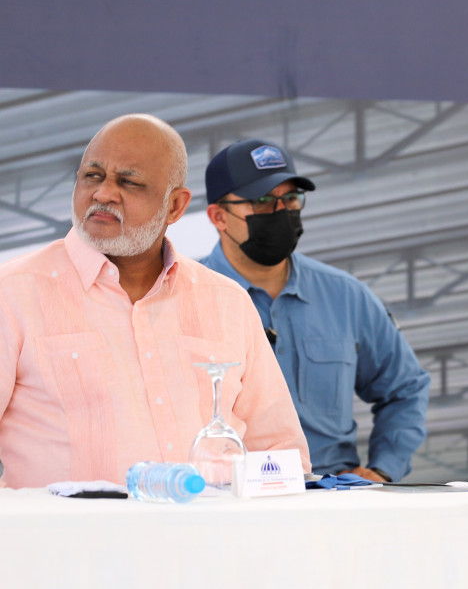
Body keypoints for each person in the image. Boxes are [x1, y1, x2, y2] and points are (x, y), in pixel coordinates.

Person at [0, 115, 311, 488]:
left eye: (129, 182)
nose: (103, 194)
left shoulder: (227, 303)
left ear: (175, 206)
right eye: (92, 176)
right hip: (67, 528)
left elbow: (280, 453)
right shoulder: (12, 293)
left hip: (210, 525)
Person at [201, 139, 430, 482]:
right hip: (229, 494)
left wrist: (383, 468)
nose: (281, 211)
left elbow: (405, 388)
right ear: (219, 216)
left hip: (330, 494)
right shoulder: (186, 300)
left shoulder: (346, 296)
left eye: (291, 198)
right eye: (262, 201)